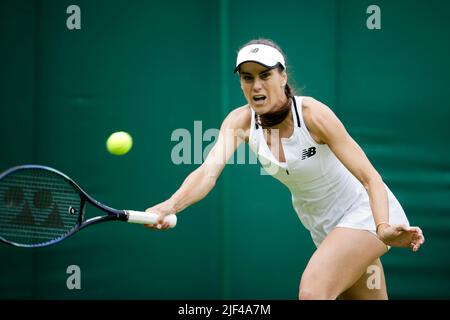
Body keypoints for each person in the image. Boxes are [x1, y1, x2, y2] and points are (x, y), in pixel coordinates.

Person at [145, 38, 425, 300]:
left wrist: (383, 227)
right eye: (247, 77)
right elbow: (207, 173)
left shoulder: (313, 115)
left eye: (265, 75)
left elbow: (370, 178)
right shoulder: (239, 122)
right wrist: (169, 206)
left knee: (312, 293)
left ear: (283, 77)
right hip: (323, 226)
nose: (256, 86)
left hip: (365, 213)